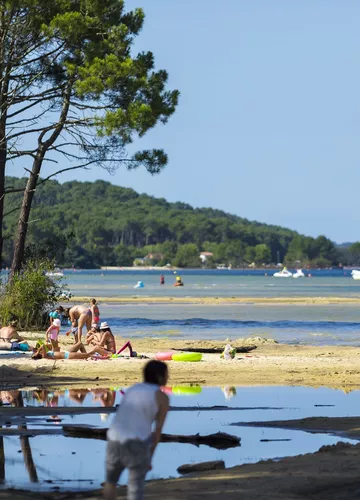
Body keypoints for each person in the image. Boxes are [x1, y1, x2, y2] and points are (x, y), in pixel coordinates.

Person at [103, 360, 170, 500]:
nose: (167, 378)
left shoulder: (133, 389)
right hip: (137, 443)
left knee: (110, 483)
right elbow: (157, 432)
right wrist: (150, 457)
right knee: (135, 488)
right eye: (166, 375)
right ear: (159, 377)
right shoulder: (162, 397)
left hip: (114, 438)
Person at [32, 342, 110, 360]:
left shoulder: (45, 353)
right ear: (37, 355)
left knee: (86, 355)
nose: (34, 353)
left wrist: (37, 351)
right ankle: (103, 357)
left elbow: (48, 346)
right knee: (87, 355)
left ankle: (100, 354)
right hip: (67, 356)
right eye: (34, 354)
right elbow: (43, 346)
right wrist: (38, 351)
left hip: (66, 353)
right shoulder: (44, 356)